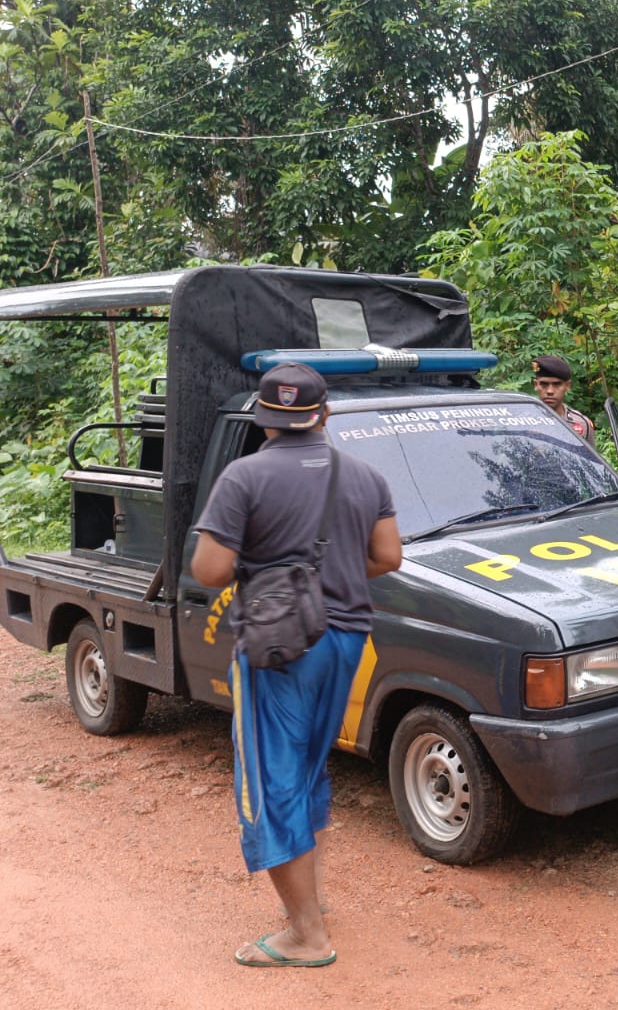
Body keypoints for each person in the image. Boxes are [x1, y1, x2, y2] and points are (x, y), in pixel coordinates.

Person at [191, 362, 402, 969]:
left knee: (269, 778)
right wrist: (323, 577)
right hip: (346, 642)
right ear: (324, 413)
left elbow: (208, 570)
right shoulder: (363, 474)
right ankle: (311, 903)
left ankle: (306, 935)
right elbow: (387, 556)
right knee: (307, 767)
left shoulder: (244, 475)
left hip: (279, 646)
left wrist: (275, 573)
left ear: (263, 419)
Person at [531, 354, 596, 444]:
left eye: (557, 384)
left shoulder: (581, 424)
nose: (550, 391)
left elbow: (590, 457)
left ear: (567, 386)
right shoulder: (519, 421)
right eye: (544, 384)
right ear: (536, 385)